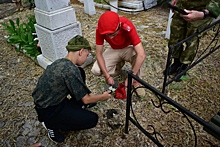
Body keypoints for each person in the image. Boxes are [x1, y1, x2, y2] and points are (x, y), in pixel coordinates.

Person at [32, 35, 111, 143]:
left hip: (55, 99)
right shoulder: (70, 70)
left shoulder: (61, 62)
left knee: (81, 72)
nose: (86, 58)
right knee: (92, 119)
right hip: (48, 109)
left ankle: (76, 107)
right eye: (87, 55)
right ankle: (51, 125)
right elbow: (87, 99)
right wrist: (102, 97)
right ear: (81, 51)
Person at [91, 11, 146, 97]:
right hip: (113, 49)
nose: (110, 37)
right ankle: (117, 67)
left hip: (128, 48)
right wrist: (107, 76)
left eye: (112, 34)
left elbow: (142, 54)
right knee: (96, 70)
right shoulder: (100, 29)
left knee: (137, 55)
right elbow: (98, 54)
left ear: (119, 26)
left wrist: (132, 76)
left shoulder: (126, 24)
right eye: (107, 35)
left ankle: (136, 81)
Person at [167, 0, 220, 76]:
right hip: (182, 7)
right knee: (175, 36)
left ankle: (183, 66)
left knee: (191, 41)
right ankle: (176, 62)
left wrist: (204, 13)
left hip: (200, 11)